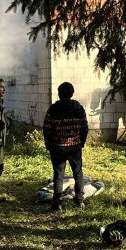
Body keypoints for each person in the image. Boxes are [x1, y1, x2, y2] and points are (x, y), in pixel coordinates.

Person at [43, 82, 89, 211]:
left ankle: (57, 204)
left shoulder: (53, 109)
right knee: (78, 173)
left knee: (58, 175)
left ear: (59, 94)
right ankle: (79, 201)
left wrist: (49, 144)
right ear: (72, 93)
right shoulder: (79, 108)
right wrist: (81, 143)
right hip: (75, 147)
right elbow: (84, 127)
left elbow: (47, 129)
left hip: (57, 147)